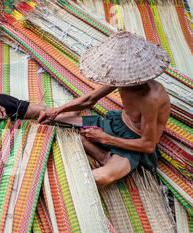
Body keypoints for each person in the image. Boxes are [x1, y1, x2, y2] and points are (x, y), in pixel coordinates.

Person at [38, 31, 171, 186]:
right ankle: (104, 155)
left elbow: (148, 145)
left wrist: (104, 138)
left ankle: (104, 155)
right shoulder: (122, 76)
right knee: (51, 120)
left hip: (133, 144)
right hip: (115, 124)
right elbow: (90, 99)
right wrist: (57, 110)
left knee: (98, 178)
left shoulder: (151, 98)